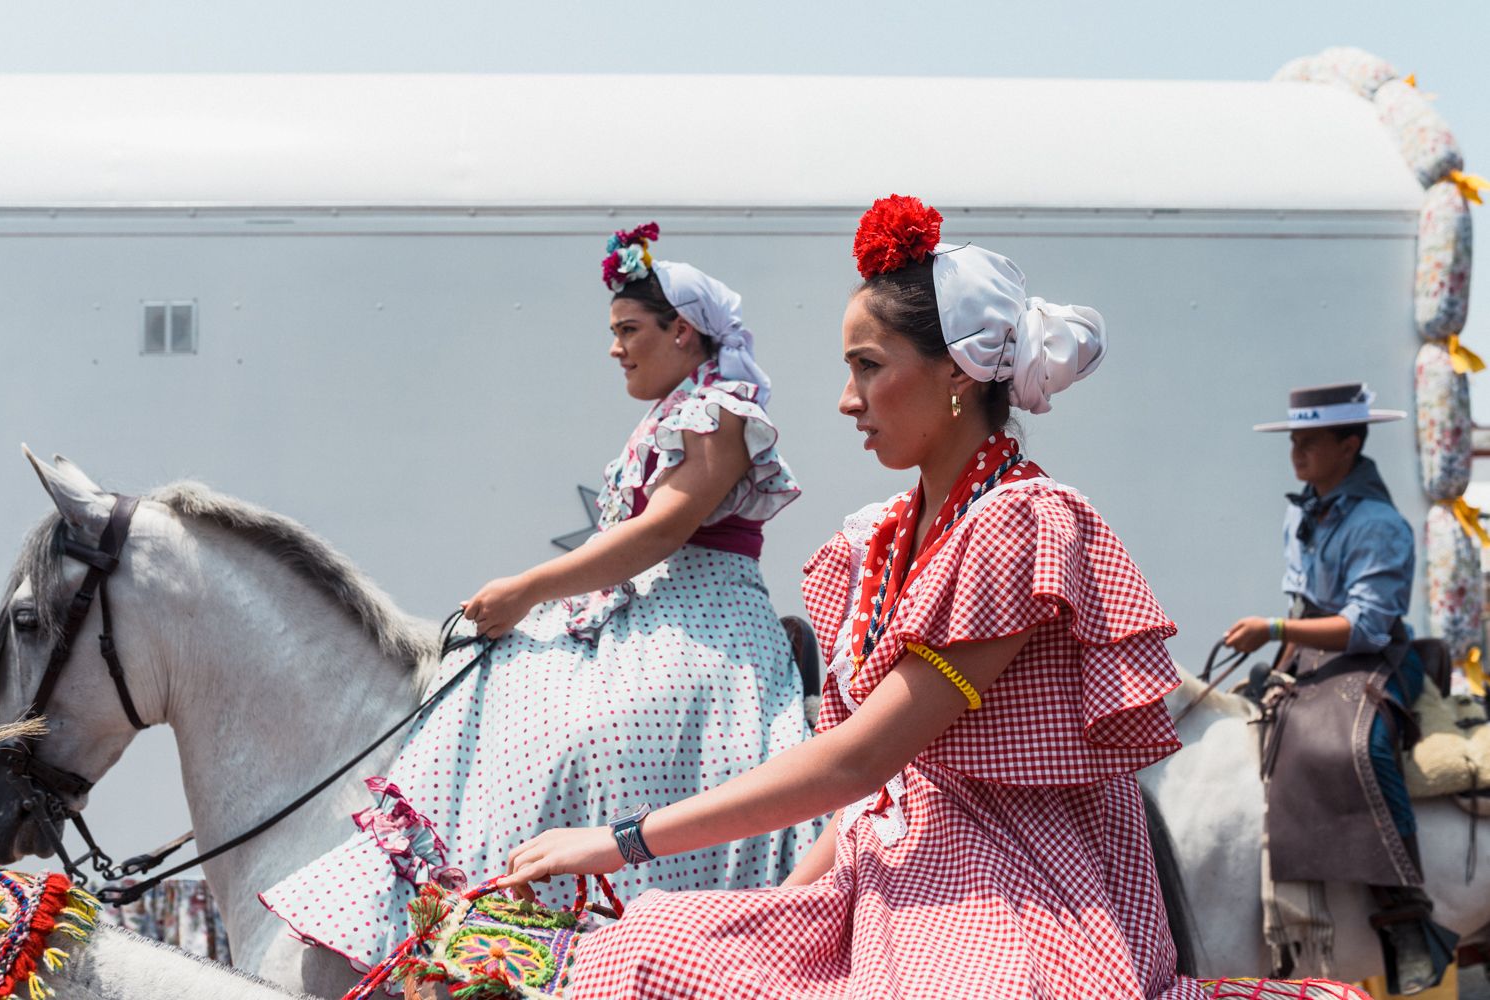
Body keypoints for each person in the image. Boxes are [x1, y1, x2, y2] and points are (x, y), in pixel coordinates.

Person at [502, 195, 1209, 998]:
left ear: (957, 372)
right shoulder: (878, 540)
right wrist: (782, 908)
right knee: (650, 951)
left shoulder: (1018, 524)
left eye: (868, 366)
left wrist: (618, 842)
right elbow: (870, 797)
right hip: (890, 876)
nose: (846, 399)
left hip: (1007, 890)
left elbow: (860, 759)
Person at [260, 223, 820, 969]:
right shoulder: (677, 411)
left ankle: (596, 922)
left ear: (683, 332)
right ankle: (481, 906)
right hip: (651, 613)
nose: (615, 347)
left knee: (590, 736)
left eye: (629, 330)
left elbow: (663, 531)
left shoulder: (716, 408)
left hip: (699, 621)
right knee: (500, 690)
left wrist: (528, 589)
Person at [1224, 384, 1454, 995]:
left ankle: (1406, 916)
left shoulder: (1380, 525)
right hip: (1310, 647)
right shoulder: (1301, 509)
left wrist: (1273, 627)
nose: (1296, 452)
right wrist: (1280, 649)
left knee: (1360, 746)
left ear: (1349, 445)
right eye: (1294, 440)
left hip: (1375, 654)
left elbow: (1367, 625)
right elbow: (1305, 597)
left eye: (1310, 441)